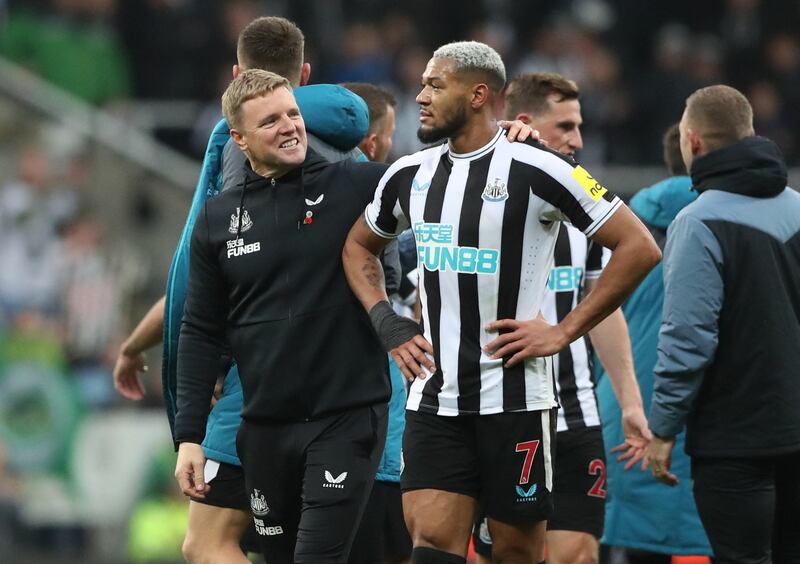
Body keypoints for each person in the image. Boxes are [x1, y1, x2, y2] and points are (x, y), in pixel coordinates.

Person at [342, 41, 661, 564]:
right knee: (432, 546)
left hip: (517, 403)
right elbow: (359, 247)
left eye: (435, 85)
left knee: (515, 552)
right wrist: (387, 323)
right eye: (421, 83)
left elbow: (639, 246)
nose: (420, 96)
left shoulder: (542, 168)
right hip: (436, 400)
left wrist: (563, 331)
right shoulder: (409, 174)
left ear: (477, 95)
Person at [113, 16, 373, 564]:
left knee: (210, 543)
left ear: (237, 74)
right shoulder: (360, 163)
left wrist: (155, 354)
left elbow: (215, 287)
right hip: (316, 396)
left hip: (279, 390)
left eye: (290, 114)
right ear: (305, 72)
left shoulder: (242, 161)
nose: (287, 127)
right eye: (273, 117)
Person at [472, 72, 651, 564]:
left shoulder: (591, 210)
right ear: (526, 123)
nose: (579, 139)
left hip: (575, 409)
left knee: (577, 555)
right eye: (567, 126)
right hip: (501, 408)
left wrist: (630, 401)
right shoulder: (477, 195)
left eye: (580, 125)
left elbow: (601, 310)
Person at [645, 85, 800, 564]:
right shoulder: (797, 206)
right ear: (751, 134)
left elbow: (687, 339)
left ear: (692, 143)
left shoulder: (697, 223)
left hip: (734, 441)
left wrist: (664, 428)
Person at [595, 124, 710, 562]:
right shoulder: (727, 223)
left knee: (612, 537)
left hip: (621, 401)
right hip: (689, 413)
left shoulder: (619, 226)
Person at [341, 82, 413, 564]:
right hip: (378, 441)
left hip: (302, 434)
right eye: (386, 137)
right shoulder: (383, 206)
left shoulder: (276, 202)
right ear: (371, 143)